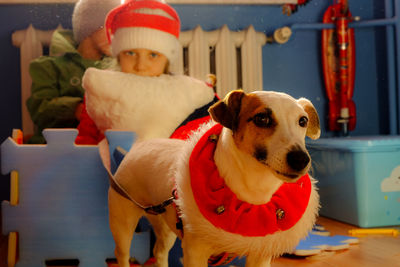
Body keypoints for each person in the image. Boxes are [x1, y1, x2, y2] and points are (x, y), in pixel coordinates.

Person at [75, 0, 218, 144]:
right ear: (118, 55)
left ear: (167, 59)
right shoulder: (102, 89)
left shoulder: (184, 93)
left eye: (153, 55)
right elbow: (86, 138)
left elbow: (208, 130)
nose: (141, 66)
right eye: (130, 53)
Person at [26, 0, 121, 144]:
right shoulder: (49, 66)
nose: (115, 36)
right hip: (56, 148)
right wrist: (77, 109)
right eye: (110, 29)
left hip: (100, 147)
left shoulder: (117, 68)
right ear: (91, 28)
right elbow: (39, 109)